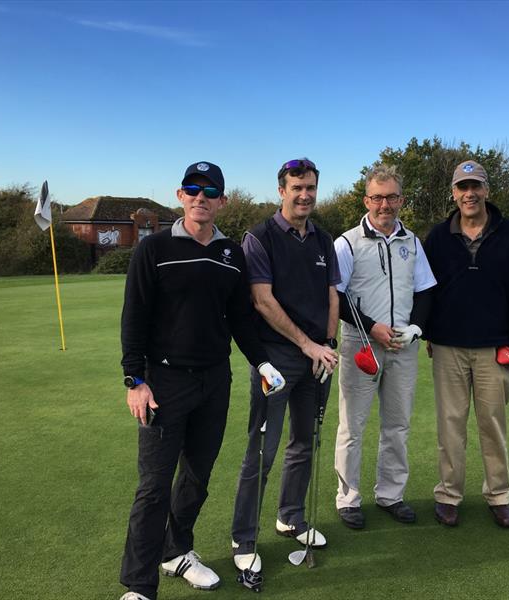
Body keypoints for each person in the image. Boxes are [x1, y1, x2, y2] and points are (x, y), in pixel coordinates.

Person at [118, 161, 284, 600]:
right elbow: (133, 318)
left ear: (223, 201)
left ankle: (178, 551)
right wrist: (135, 380)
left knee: (196, 476)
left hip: (215, 380)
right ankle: (139, 585)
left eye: (210, 192)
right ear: (180, 195)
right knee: (154, 486)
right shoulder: (152, 249)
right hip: (164, 382)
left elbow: (241, 319)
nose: (200, 197)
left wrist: (263, 363)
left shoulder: (231, 254)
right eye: (192, 189)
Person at [230, 158, 340, 574]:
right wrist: (309, 344)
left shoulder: (323, 239)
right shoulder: (259, 238)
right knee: (263, 449)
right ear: (282, 191)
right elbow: (262, 301)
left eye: (310, 187)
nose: (305, 194)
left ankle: (290, 516)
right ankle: (243, 537)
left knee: (304, 443)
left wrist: (327, 346)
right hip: (276, 361)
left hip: (316, 356)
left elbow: (332, 296)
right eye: (297, 187)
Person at [423, 160, 509, 529]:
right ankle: (449, 494)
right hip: (449, 346)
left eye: (476, 186)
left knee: (492, 424)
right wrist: (427, 333)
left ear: (487, 190)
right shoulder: (438, 237)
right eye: (462, 187)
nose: (469, 194)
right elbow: (427, 292)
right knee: (450, 425)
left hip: (494, 347)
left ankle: (498, 495)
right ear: (453, 193)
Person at [333, 164, 436, 529]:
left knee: (397, 425)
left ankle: (391, 494)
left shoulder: (412, 242)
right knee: (353, 425)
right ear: (366, 200)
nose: (384, 204)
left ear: (401, 200)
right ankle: (348, 499)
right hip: (361, 344)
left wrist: (416, 328)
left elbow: (424, 289)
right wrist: (372, 327)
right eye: (377, 197)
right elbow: (337, 298)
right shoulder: (346, 243)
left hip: (402, 348)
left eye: (392, 197)